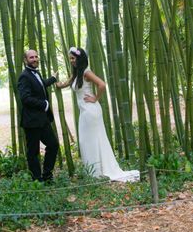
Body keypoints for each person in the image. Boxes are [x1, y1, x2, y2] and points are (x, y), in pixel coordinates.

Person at [56, 47, 139, 182]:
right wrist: (59, 84)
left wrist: (95, 98)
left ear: (79, 58)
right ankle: (94, 171)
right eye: (70, 58)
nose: (71, 61)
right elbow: (68, 83)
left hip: (90, 111)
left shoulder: (86, 72)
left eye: (73, 58)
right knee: (87, 141)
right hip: (85, 111)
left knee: (91, 140)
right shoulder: (77, 72)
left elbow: (102, 85)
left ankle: (96, 172)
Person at [17, 49, 60, 182]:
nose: (35, 59)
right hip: (32, 121)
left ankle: (47, 175)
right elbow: (25, 98)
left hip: (43, 120)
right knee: (33, 152)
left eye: (36, 56)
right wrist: (44, 104)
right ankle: (37, 179)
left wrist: (52, 79)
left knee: (53, 145)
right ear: (25, 60)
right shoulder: (24, 76)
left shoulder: (36, 73)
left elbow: (40, 85)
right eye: (31, 57)